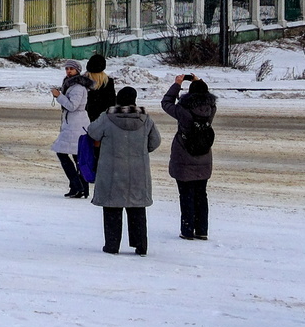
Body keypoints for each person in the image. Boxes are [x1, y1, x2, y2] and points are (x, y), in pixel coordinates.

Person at [88, 84, 161, 255]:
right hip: (138, 170)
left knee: (112, 206)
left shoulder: (107, 117)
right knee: (137, 207)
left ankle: (112, 245)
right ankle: (140, 244)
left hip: (112, 169)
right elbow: (155, 142)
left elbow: (93, 132)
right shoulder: (146, 119)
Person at [160, 73, 217, 239]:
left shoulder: (183, 110)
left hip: (184, 155)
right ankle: (201, 230)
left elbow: (166, 103)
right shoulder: (211, 109)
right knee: (201, 194)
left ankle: (187, 230)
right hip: (204, 156)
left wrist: (177, 84)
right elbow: (205, 95)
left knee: (186, 194)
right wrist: (199, 82)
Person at [51, 61, 90, 198]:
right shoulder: (70, 85)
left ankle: (78, 186)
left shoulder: (78, 87)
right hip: (72, 124)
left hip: (76, 125)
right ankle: (80, 187)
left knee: (65, 154)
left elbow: (72, 106)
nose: (68, 71)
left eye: (71, 69)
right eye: (67, 68)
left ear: (77, 70)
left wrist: (59, 96)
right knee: (76, 157)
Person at [83, 52, 118, 119]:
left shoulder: (83, 81)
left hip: (86, 119)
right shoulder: (108, 82)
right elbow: (112, 103)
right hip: (104, 119)